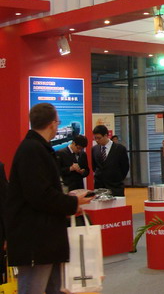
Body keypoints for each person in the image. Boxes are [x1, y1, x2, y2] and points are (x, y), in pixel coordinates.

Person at [6, 103, 93, 294]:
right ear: (53, 124)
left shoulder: (39, 148)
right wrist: (73, 202)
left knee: (55, 288)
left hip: (46, 238)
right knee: (33, 289)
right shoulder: (32, 150)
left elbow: (43, 191)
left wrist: (69, 202)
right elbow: (39, 195)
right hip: (35, 241)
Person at [92, 125, 130, 196]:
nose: (97, 140)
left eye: (99, 138)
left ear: (106, 135)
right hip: (99, 187)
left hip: (115, 186)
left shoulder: (120, 149)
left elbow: (125, 167)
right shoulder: (94, 149)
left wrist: (117, 178)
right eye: (95, 138)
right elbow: (94, 166)